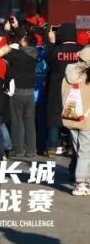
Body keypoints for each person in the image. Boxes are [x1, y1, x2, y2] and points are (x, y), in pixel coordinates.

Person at [46, 23, 81, 156]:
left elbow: (48, 60)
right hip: (75, 89)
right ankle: (72, 147)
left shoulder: (55, 50)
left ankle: (52, 148)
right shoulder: (81, 50)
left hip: (56, 88)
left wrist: (52, 42)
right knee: (73, 119)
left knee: (54, 118)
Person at [60, 45, 90, 195]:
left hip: (71, 117)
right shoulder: (87, 76)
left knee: (79, 150)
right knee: (85, 151)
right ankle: (80, 183)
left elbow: (63, 94)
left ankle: (84, 180)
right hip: (86, 119)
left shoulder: (68, 72)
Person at [5, 31, 39, 158]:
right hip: (30, 92)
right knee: (30, 122)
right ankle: (31, 150)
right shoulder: (35, 54)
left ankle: (18, 149)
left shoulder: (18, 54)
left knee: (17, 121)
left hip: (18, 90)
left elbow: (9, 64)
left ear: (26, 42)